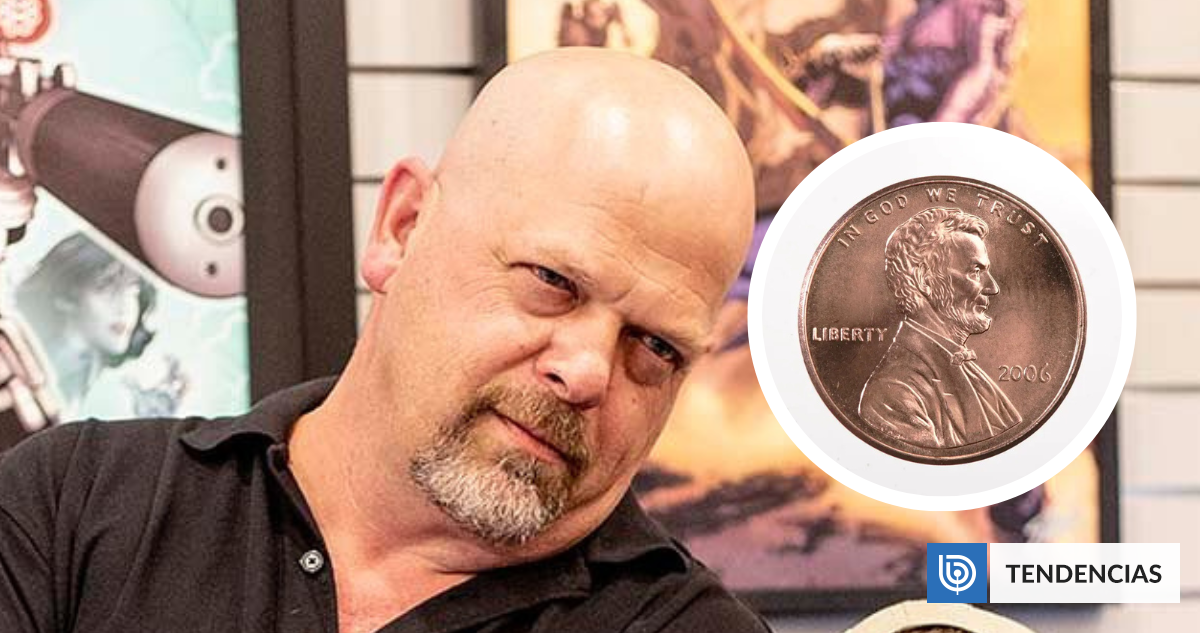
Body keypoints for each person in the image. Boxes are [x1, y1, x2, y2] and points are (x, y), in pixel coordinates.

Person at [0, 48, 768, 632]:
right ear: (402, 227)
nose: (589, 370)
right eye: (552, 280)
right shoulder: (77, 506)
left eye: (656, 347)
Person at [859, 206, 1021, 449]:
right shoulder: (894, 393)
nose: (992, 288)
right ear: (924, 279)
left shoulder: (964, 367)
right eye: (975, 271)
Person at [13, 232, 157, 418]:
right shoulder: (30, 358)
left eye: (132, 291)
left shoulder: (93, 377)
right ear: (65, 296)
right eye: (105, 287)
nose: (124, 308)